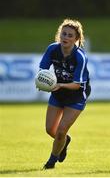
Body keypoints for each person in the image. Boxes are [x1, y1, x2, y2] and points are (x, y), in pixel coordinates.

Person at [39, 18, 91, 169]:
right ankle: (65, 141)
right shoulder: (52, 49)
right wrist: (43, 82)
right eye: (64, 34)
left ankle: (51, 162)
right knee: (50, 130)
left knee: (61, 131)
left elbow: (77, 85)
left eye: (70, 35)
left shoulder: (79, 56)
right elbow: (42, 71)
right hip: (58, 93)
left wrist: (58, 84)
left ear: (76, 39)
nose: (66, 37)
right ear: (59, 35)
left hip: (76, 95)